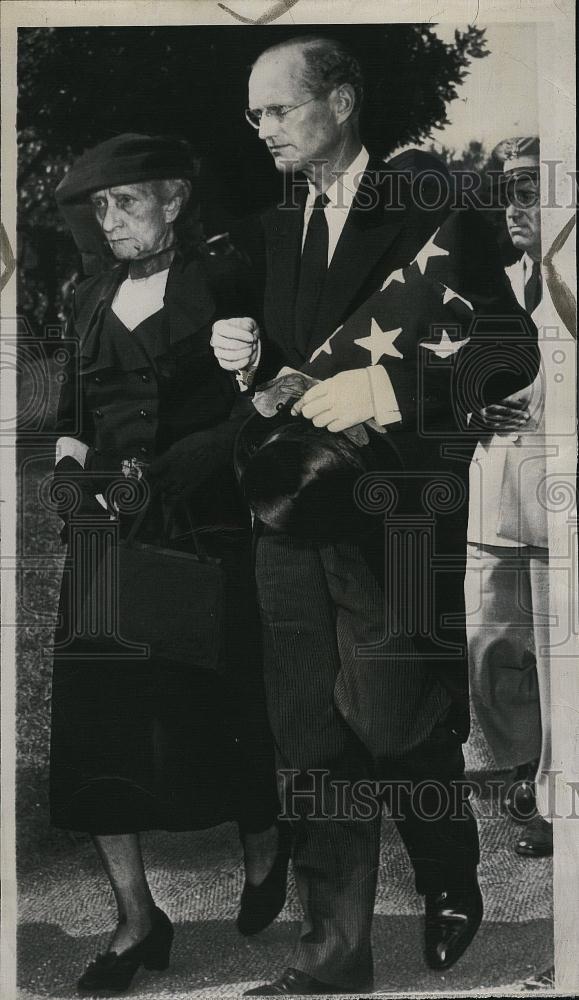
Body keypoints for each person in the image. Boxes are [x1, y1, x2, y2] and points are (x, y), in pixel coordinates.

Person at [211, 36, 540, 996]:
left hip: (394, 512)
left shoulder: (432, 209)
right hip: (291, 516)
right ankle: (331, 958)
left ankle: (447, 872)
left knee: (397, 725)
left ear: (341, 102)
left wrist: (387, 389)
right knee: (310, 736)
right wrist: (244, 361)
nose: (261, 128)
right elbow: (281, 383)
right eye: (253, 114)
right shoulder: (267, 232)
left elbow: (508, 355)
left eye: (276, 109)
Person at [49, 133, 289, 995]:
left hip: (206, 525)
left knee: (225, 702)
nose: (110, 220)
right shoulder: (85, 297)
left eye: (128, 202)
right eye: (99, 207)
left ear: (176, 200)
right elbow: (73, 412)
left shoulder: (226, 276)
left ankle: (266, 845)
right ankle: (135, 919)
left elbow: (270, 394)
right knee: (96, 723)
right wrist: (73, 480)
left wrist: (202, 457)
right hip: (107, 539)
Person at [465, 136, 570, 858]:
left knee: (561, 655)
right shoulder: (492, 276)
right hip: (493, 491)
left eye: (530, 188)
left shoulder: (562, 272)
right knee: (489, 646)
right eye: (507, 189)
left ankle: (552, 794)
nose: (514, 205)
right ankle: (518, 768)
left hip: (562, 497)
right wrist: (469, 405)